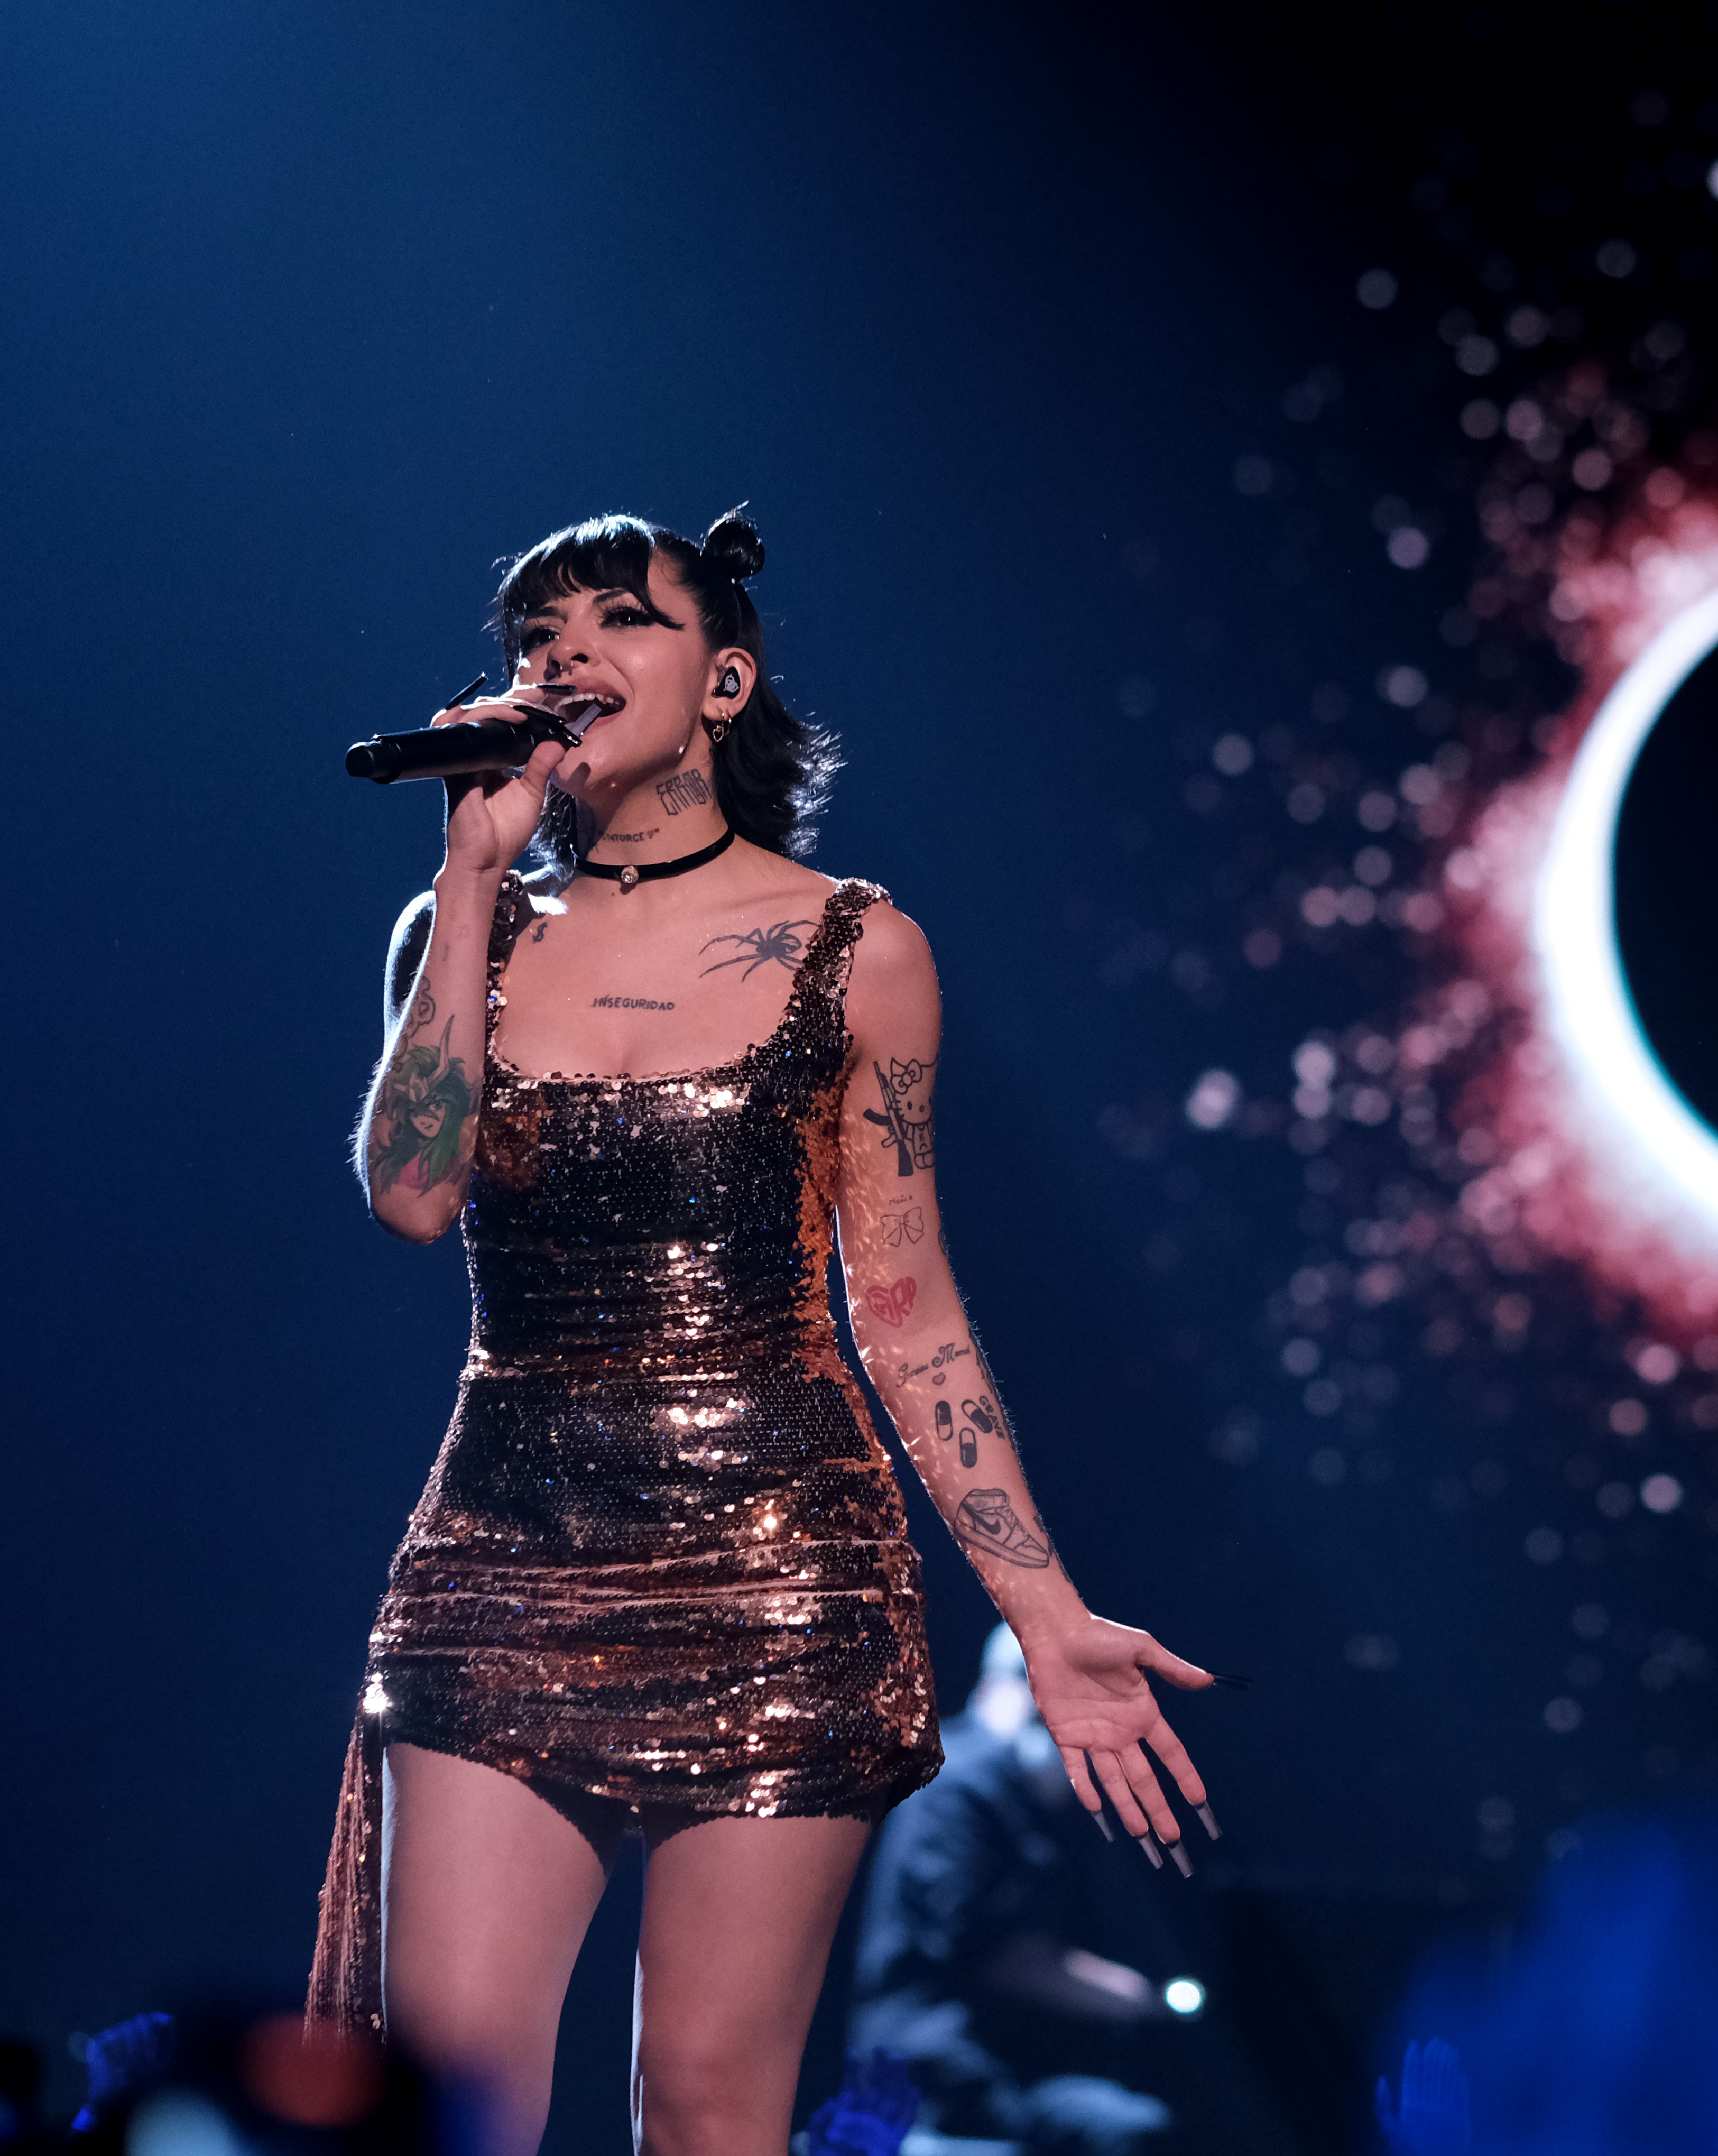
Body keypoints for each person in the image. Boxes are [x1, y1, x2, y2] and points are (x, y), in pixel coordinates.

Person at [308, 509, 1219, 2156]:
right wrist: (461, 870)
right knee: (441, 2112)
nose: (563, 654)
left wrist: (1045, 1613)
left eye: (615, 621)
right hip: (505, 1553)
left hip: (782, 1568)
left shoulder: (856, 949)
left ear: (722, 680)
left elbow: (906, 1306)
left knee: (710, 2108)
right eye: (536, 635)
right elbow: (409, 1197)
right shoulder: (469, 933)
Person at [846, 1627, 1184, 2153]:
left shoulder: (1021, 1793)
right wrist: (1135, 1999)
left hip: (997, 2064)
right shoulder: (960, 1783)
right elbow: (988, 1948)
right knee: (1128, 2130)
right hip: (940, 2073)